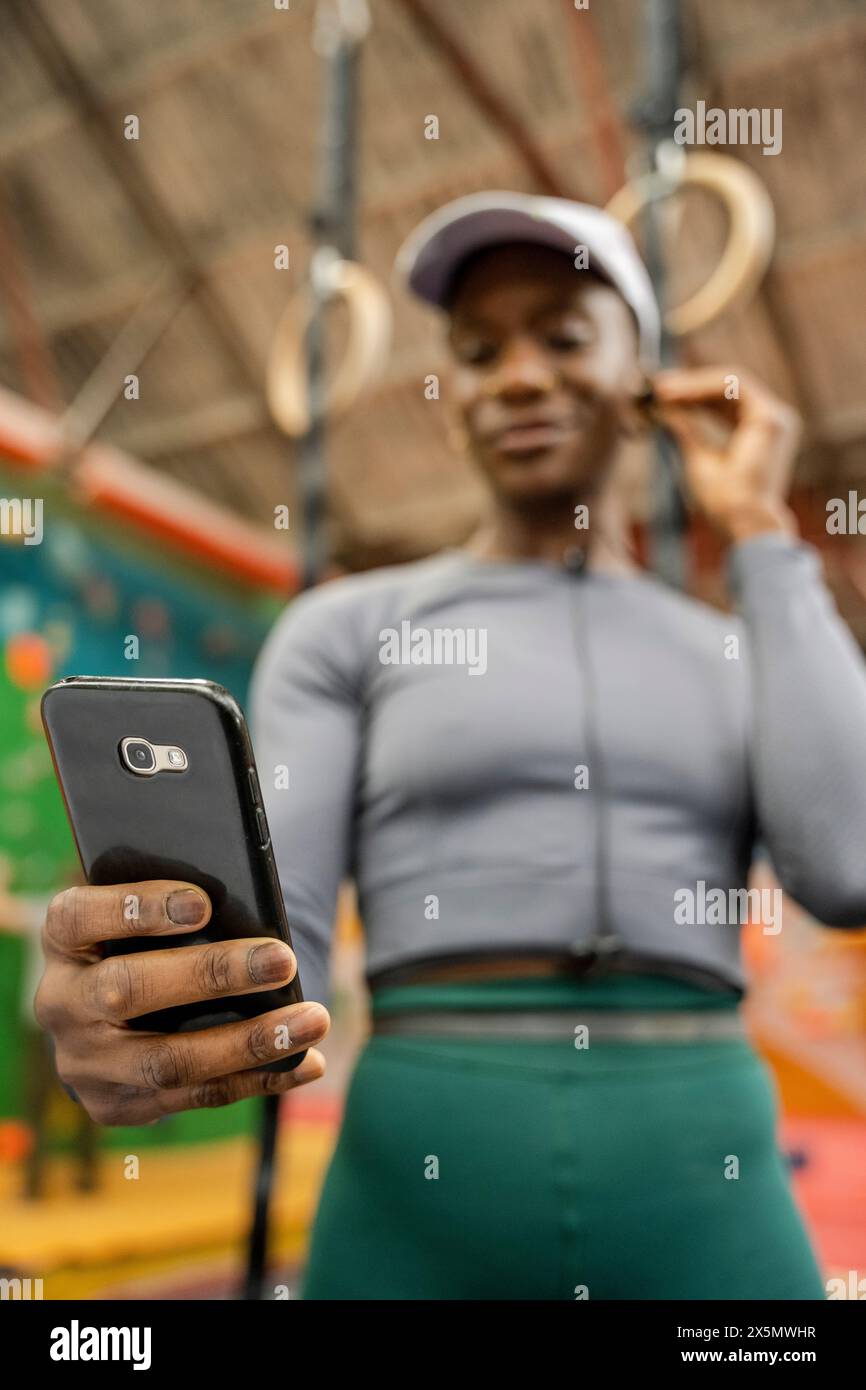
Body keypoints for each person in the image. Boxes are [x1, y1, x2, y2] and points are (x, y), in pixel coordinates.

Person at [35, 192, 866, 1300]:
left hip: (701, 1160)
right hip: (417, 1174)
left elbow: (846, 865)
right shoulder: (347, 628)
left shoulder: (737, 643)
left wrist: (760, 530)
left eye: (563, 337)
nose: (517, 375)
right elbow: (273, 970)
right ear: (449, 406)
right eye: (478, 352)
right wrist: (150, 1010)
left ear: (643, 384)